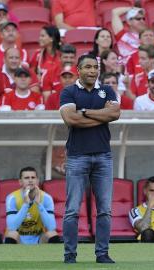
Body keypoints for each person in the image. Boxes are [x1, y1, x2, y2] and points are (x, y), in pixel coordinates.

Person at [59, 54, 120, 264]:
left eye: (95, 67)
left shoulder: (108, 90)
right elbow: (70, 119)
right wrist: (101, 115)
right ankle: (70, 256)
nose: (92, 71)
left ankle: (102, 254)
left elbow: (115, 114)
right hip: (77, 156)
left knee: (105, 210)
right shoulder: (68, 91)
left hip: (104, 156)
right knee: (72, 210)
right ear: (78, 70)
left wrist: (84, 112)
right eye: (88, 67)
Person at [4, 166, 59, 244]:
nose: (30, 180)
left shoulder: (47, 198)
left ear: (37, 181)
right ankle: (10, 256)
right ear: (20, 182)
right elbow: (12, 227)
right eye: (26, 178)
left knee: (52, 234)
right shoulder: (12, 198)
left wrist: (39, 204)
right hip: (19, 239)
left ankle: (52, 256)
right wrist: (26, 205)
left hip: (39, 239)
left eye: (33, 177)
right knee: (12, 234)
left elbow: (51, 227)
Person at [30, 25, 61, 91]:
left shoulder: (62, 56)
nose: (39, 38)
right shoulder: (38, 54)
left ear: (51, 38)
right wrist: (36, 78)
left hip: (57, 89)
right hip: (41, 89)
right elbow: (31, 72)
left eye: (42, 36)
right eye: (40, 36)